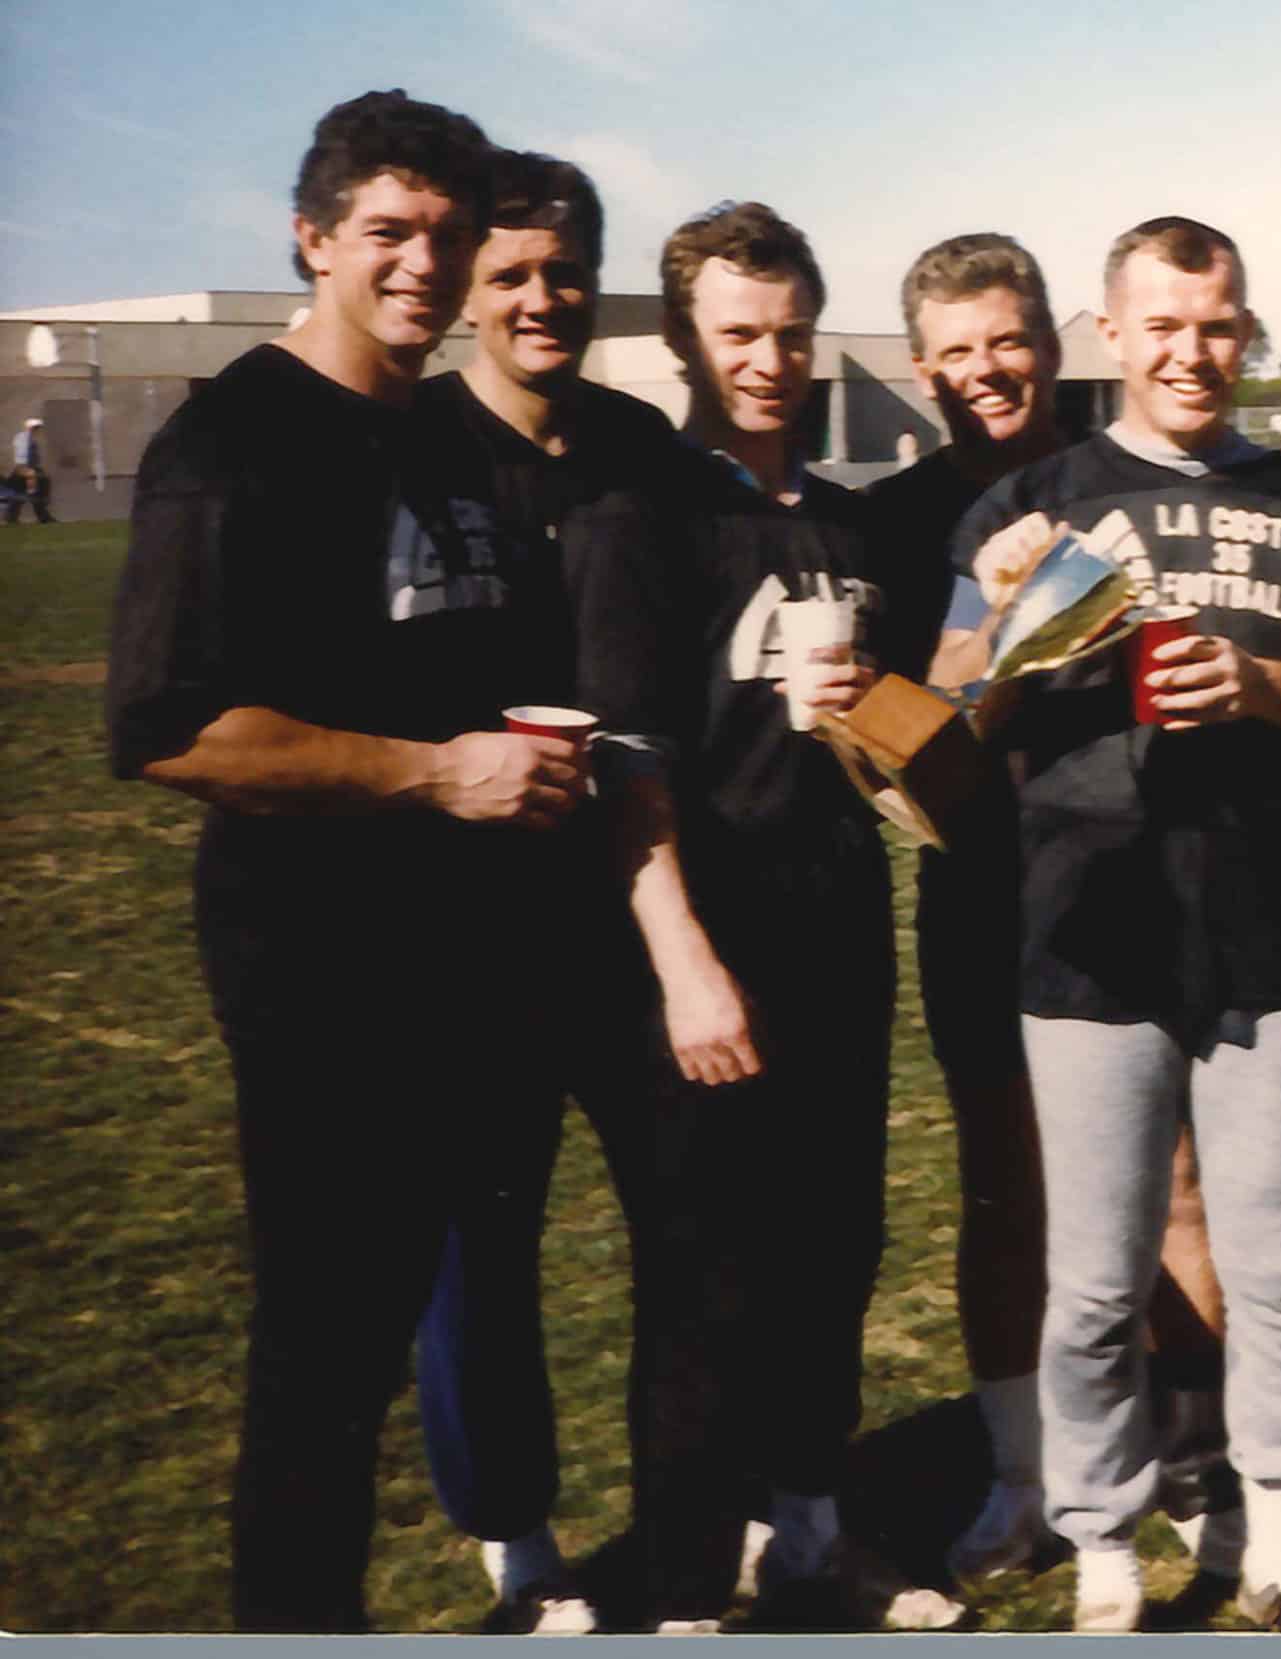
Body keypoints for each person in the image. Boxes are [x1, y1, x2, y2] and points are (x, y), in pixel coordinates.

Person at [102, 90, 548, 1633]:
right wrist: (433, 771)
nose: (424, 262)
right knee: (326, 1355)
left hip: (464, 956)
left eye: (449, 233)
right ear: (312, 238)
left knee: (417, 1310)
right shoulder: (232, 440)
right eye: (389, 231)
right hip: (320, 969)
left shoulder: (444, 432)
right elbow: (167, 726)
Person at [953, 215, 1281, 1632]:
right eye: (1162, 324)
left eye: (1215, 324)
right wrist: (1009, 616)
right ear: (1112, 332)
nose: (1190, 351)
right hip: (1085, 932)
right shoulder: (1036, 500)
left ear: (1246, 330)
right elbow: (949, 706)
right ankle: (1101, 1544)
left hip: (1258, 931)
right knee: (1095, 1274)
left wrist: (1264, 685)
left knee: (1278, 1256)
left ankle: (1280, 1536)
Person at [567, 200, 958, 1633]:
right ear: (686, 339)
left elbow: (909, 735)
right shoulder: (643, 515)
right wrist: (685, 965)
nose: (769, 361)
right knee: (701, 1275)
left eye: (791, 333)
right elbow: (627, 763)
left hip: (834, 925)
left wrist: (887, 714)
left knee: (831, 1249)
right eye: (739, 333)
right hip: (701, 940)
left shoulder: (852, 521)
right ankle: (684, 1587)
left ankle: (810, 1532)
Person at [870, 232, 1242, 1585]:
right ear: (922, 369)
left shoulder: (1118, 478)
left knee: (1174, 1182)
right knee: (1006, 1186)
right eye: (956, 352)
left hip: (1126, 876)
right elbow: (906, 727)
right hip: (980, 887)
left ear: (1053, 340)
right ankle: (1023, 1473)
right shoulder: (891, 520)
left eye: (1007, 341)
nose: (986, 371)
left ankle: (1195, 1459)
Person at [392, 148, 679, 1635]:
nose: (539, 298)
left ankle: (705, 1501)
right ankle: (513, 1531)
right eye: (508, 273)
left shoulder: (641, 446)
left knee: (691, 1226)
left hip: (636, 909)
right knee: (479, 1247)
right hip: (468, 926)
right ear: (464, 291)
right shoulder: (404, 448)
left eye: (564, 272)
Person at [9, 417, 54, 523]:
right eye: (36, 428)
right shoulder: (24, 439)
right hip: (25, 469)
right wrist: (27, 471)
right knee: (24, 494)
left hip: (29, 469)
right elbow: (22, 457)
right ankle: (43, 517)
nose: (38, 430)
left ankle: (43, 517)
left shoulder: (29, 439)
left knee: (26, 494)